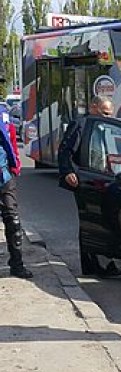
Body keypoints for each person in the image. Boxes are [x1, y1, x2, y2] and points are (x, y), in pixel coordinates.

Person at [58, 95, 121, 277]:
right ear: (93, 107)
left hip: (102, 179)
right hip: (87, 181)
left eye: (110, 115)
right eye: (104, 113)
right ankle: (96, 265)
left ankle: (99, 263)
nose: (107, 118)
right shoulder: (81, 124)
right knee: (93, 222)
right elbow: (65, 149)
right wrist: (68, 172)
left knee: (102, 220)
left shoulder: (103, 127)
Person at [0, 83, 32, 279]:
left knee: (13, 219)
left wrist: (14, 164)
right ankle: (17, 264)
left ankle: (17, 264)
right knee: (12, 218)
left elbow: (9, 137)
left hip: (3, 173)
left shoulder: (2, 112)